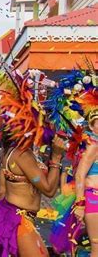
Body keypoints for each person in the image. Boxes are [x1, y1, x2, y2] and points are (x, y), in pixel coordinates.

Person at [0, 74, 66, 257]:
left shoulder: (10, 152)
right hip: (19, 221)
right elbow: (49, 191)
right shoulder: (23, 155)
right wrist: (56, 158)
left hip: (9, 217)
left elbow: (3, 191)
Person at [74, 108, 98, 256]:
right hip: (94, 199)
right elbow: (79, 175)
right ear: (91, 126)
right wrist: (80, 204)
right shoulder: (94, 146)